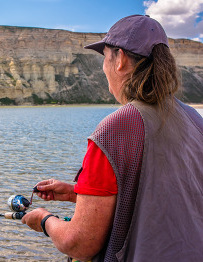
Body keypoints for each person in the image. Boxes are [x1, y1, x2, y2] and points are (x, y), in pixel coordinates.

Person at [21, 14, 203, 262]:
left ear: (121, 60)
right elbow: (166, 197)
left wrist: (43, 219)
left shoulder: (117, 127)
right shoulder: (194, 118)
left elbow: (79, 243)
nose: (103, 67)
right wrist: (78, 193)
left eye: (105, 57)